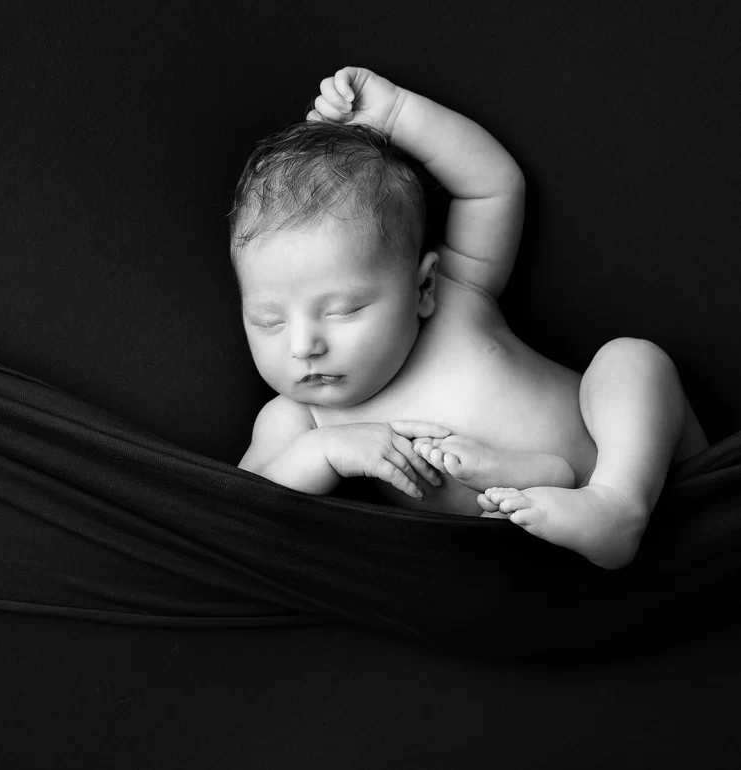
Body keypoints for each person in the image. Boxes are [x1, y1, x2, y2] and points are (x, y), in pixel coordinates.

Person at [233, 66, 708, 569]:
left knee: (631, 361)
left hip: (665, 480)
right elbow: (237, 514)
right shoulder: (300, 418)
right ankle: (558, 491)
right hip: (530, 544)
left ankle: (617, 503)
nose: (303, 345)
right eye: (269, 321)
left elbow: (492, 186)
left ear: (423, 287)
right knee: (493, 541)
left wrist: (395, 113)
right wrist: (322, 454)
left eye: (344, 310)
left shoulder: (458, 294)